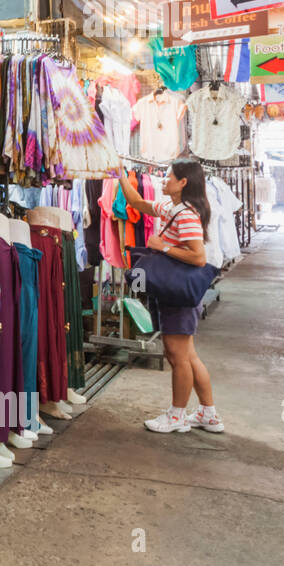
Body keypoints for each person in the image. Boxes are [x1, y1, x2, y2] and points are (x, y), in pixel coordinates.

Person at [115, 160, 224, 434]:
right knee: (188, 355)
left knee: (177, 356)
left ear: (183, 182)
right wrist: (119, 174)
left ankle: (177, 416)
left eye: (169, 177)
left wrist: (163, 247)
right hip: (178, 292)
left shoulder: (186, 214)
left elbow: (198, 257)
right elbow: (138, 202)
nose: (164, 181)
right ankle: (208, 414)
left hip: (179, 292)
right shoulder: (173, 208)